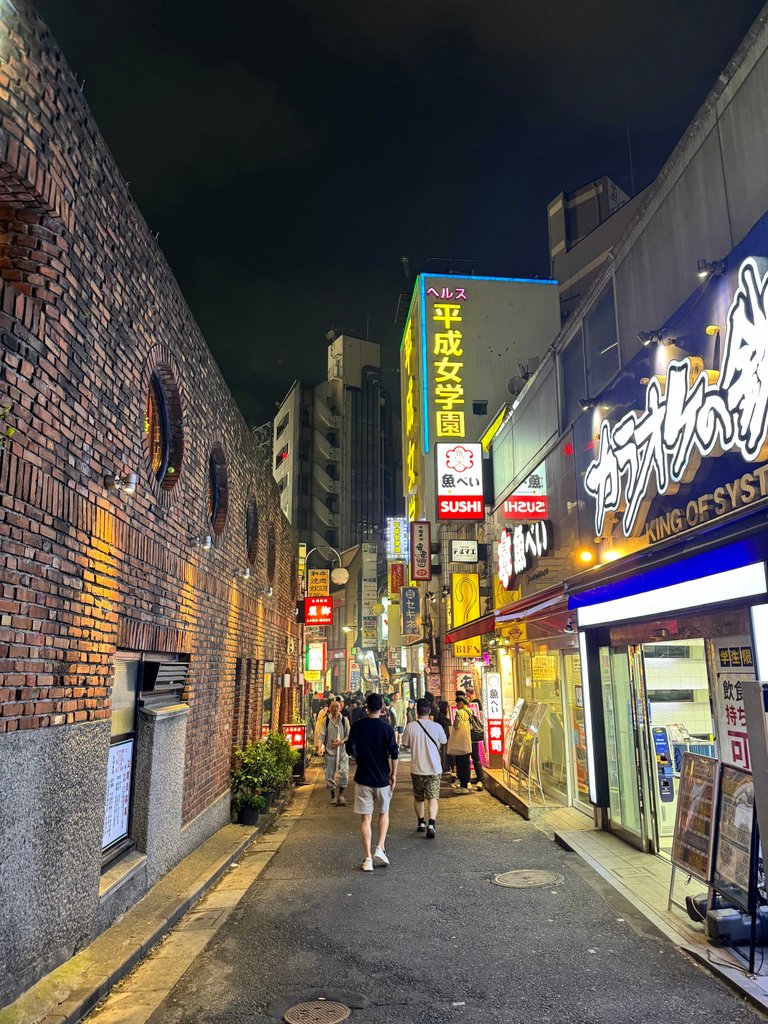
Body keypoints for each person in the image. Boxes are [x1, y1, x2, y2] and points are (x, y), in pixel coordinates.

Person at [345, 692, 399, 871]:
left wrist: (359, 754)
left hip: (363, 777)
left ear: (366, 707)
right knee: (384, 812)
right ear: (382, 708)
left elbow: (348, 749)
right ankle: (380, 847)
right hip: (383, 778)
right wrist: (393, 775)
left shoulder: (358, 727)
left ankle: (368, 858)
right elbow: (394, 753)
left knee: (365, 818)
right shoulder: (386, 728)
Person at [402, 697, 447, 838]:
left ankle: (421, 823)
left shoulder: (410, 727)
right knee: (433, 797)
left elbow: (405, 744)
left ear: (417, 712)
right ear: (429, 711)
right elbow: (444, 741)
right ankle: (432, 824)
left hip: (417, 768)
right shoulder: (437, 727)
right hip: (434, 768)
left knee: (419, 797)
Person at [321, 700, 350, 805]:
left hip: (342, 751)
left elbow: (348, 736)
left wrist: (341, 742)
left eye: (337, 706)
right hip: (329, 751)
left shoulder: (344, 720)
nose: (335, 708)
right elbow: (322, 734)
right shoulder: (326, 720)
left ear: (340, 708)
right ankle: (333, 794)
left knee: (344, 773)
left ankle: (341, 794)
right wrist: (320, 746)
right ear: (329, 708)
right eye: (332, 706)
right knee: (329, 775)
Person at [446, 695, 472, 793]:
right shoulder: (470, 711)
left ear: (461, 703)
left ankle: (463, 786)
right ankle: (467, 783)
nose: (456, 705)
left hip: (460, 742)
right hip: (467, 740)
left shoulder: (459, 712)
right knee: (466, 763)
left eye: (457, 703)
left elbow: (456, 726)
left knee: (460, 763)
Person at [434, 700, 453, 775]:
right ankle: (445, 768)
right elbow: (448, 723)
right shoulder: (442, 716)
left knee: (445, 751)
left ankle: (446, 767)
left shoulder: (440, 715)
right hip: (445, 735)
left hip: (445, 735)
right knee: (445, 751)